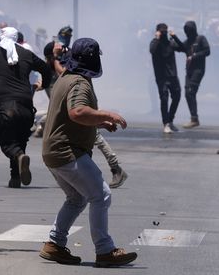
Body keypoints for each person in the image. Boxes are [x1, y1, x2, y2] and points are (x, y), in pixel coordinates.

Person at [39, 38, 137, 268]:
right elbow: (77, 112)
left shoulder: (65, 77)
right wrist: (107, 115)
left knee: (77, 198)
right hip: (67, 152)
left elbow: (71, 117)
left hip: (53, 152)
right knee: (101, 195)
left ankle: (54, 244)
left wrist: (99, 123)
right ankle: (105, 250)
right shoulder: (80, 83)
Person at [37, 40, 129, 188]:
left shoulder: (72, 59)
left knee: (96, 137)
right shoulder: (66, 59)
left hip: (77, 105)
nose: (59, 45)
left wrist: (103, 117)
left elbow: (64, 75)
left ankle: (115, 168)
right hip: (65, 108)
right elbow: (53, 78)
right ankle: (112, 168)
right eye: (56, 45)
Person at [0, 27, 52, 188]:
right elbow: (46, 69)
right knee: (20, 140)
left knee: (8, 143)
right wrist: (43, 85)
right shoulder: (27, 54)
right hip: (26, 107)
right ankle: (15, 177)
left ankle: (18, 156)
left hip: (5, 106)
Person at [177, 21, 211, 129]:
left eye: (189, 30)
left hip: (198, 70)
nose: (188, 33)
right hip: (189, 71)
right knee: (187, 93)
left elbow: (207, 51)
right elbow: (180, 47)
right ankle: (194, 118)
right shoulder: (188, 41)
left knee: (191, 91)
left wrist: (194, 55)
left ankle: (194, 119)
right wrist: (172, 38)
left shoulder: (201, 39)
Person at [150, 23, 182, 134]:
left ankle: (170, 120)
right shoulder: (155, 43)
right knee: (164, 99)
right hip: (161, 77)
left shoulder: (171, 43)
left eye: (165, 31)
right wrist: (156, 38)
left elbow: (183, 48)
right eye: (162, 31)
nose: (164, 33)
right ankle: (166, 123)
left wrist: (174, 36)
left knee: (177, 96)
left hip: (173, 76)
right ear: (158, 31)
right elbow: (152, 50)